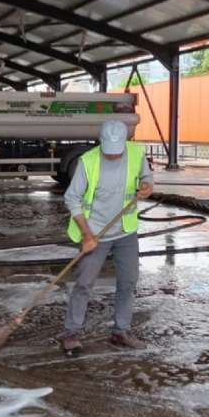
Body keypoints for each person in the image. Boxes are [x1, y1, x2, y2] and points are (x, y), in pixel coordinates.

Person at [60, 120, 154, 356]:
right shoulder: (88, 161)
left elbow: (147, 178)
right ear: (100, 142)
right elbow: (72, 198)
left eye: (117, 151)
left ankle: (121, 331)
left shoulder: (136, 152)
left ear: (125, 143)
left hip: (125, 231)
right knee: (84, 283)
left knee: (129, 281)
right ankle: (71, 332)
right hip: (95, 233)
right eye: (108, 151)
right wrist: (87, 234)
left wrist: (145, 186)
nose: (113, 156)